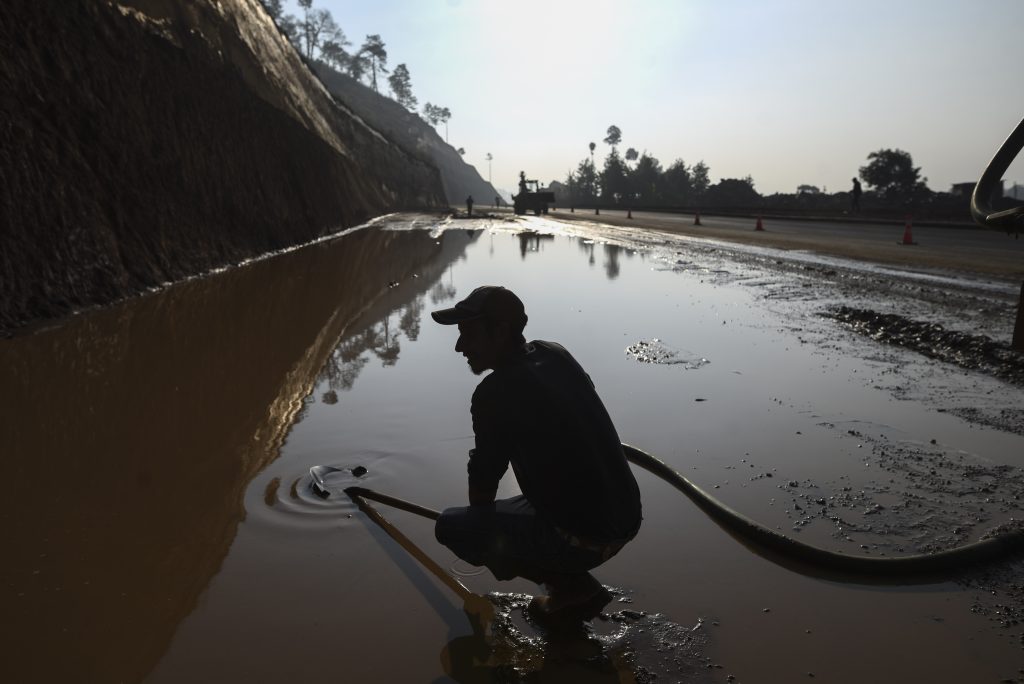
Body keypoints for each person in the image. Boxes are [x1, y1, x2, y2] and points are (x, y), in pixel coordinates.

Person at [431, 286, 642, 616]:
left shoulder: (494, 393)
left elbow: (482, 491)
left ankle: (572, 588)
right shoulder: (554, 352)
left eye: (468, 334)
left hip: (587, 535)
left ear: (499, 331)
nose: (459, 347)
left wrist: (481, 534)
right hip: (627, 514)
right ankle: (571, 575)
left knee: (452, 527)